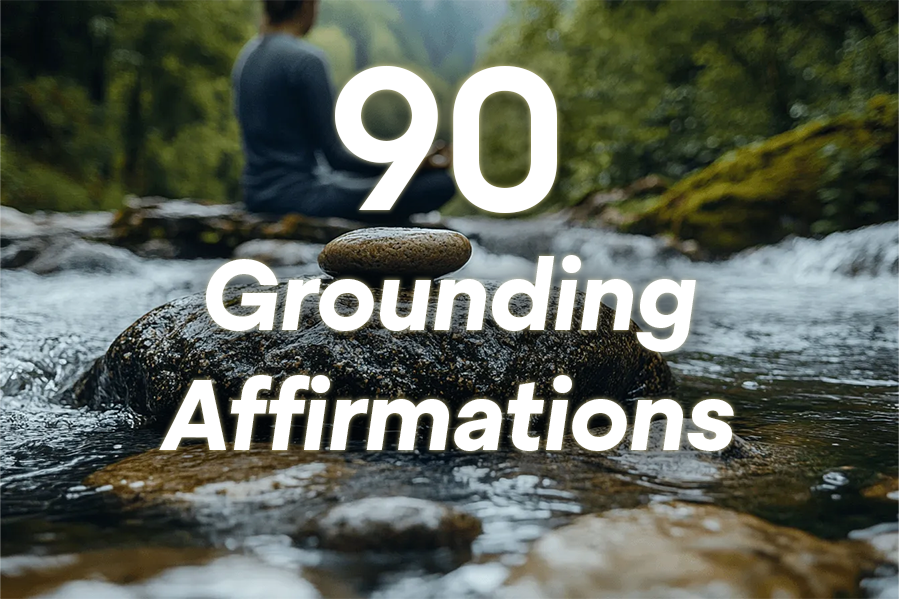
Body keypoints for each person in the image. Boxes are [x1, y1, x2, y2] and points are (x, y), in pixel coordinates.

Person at [232, 0, 456, 221]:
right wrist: (411, 164)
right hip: (299, 199)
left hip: (256, 196)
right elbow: (337, 157)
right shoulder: (306, 61)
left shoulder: (247, 57)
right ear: (308, 5)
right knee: (439, 185)